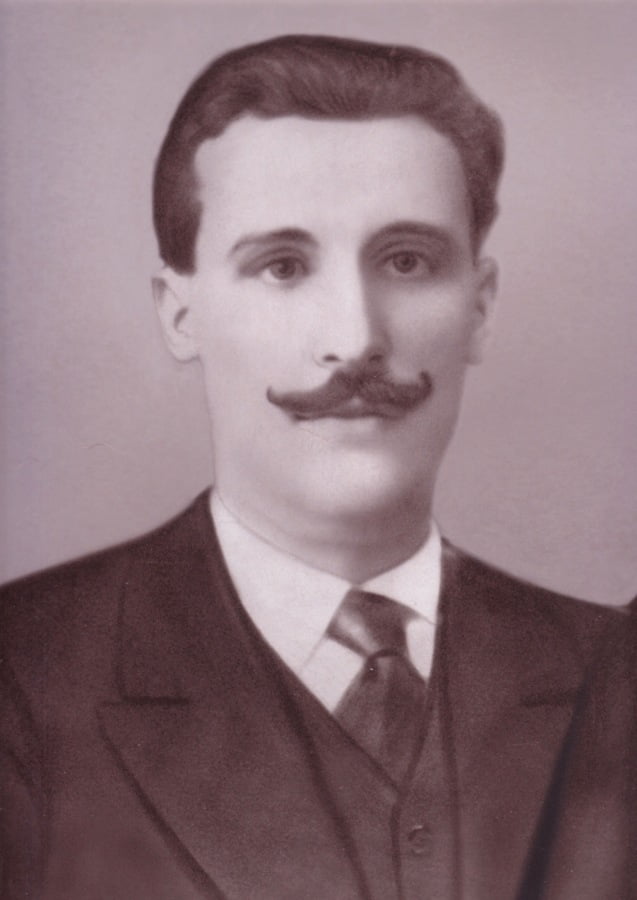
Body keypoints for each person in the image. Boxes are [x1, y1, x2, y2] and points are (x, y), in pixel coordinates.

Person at [0, 34, 630, 900]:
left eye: (406, 261)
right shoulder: (22, 675)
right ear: (180, 315)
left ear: (479, 309)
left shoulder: (617, 675)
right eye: (283, 266)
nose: (356, 337)